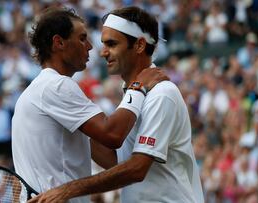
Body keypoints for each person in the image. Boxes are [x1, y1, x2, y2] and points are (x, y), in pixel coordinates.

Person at [29, 6, 204, 203]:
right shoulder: (133, 94)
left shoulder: (162, 93)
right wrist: (75, 123)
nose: (102, 52)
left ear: (139, 46)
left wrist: (68, 189)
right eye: (103, 43)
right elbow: (117, 162)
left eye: (111, 44)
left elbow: (137, 168)